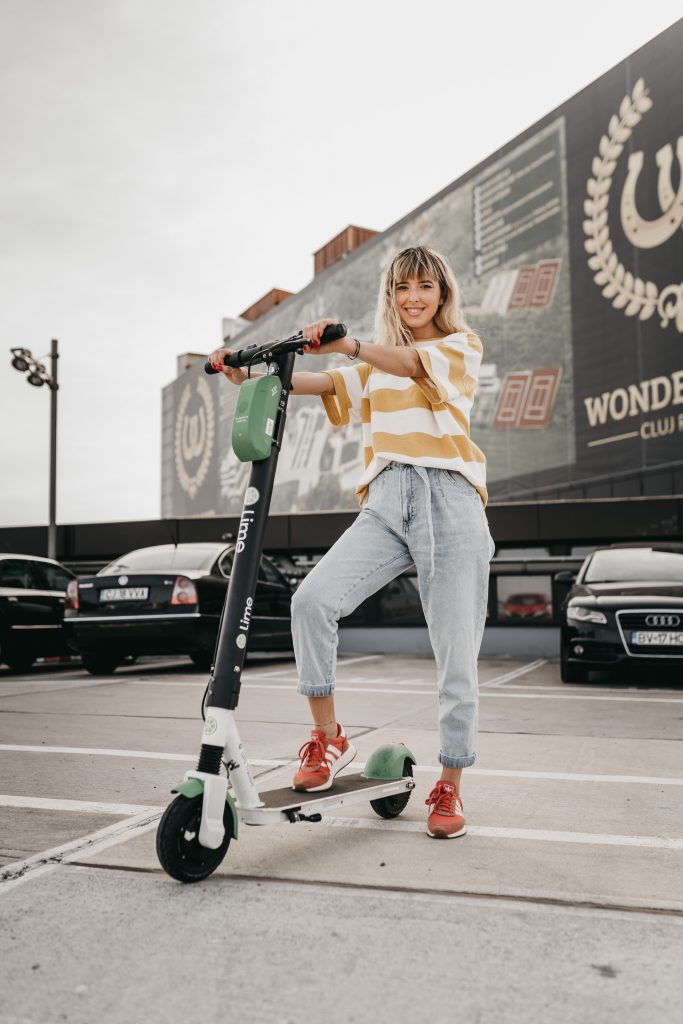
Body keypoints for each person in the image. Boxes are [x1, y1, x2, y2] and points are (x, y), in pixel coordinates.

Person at [210, 244, 494, 839]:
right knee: (310, 601)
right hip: (385, 500)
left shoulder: (459, 346)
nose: (413, 298)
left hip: (450, 501)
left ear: (442, 293)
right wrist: (248, 374)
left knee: (455, 658)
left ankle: (450, 784)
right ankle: (329, 737)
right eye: (402, 288)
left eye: (424, 286)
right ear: (391, 295)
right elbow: (314, 381)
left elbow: (411, 365)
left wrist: (349, 344)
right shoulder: (371, 367)